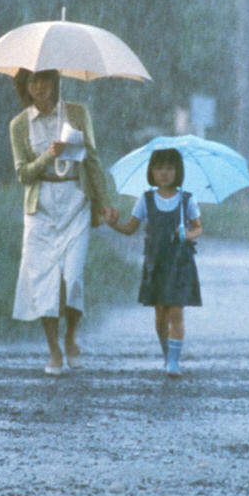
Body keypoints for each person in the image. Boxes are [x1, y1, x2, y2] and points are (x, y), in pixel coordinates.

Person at [9, 68, 114, 376]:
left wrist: (102, 203)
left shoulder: (77, 114)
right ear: (25, 87)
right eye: (33, 82)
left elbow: (91, 160)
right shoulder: (19, 125)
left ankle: (71, 335)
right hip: (40, 208)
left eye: (45, 80)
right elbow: (23, 174)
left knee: (73, 276)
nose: (40, 87)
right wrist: (47, 156)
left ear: (55, 83)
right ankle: (53, 347)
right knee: (43, 281)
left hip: (75, 201)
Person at [103, 148, 202, 378]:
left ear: (177, 171)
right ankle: (167, 352)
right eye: (159, 168)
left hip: (179, 263)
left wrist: (187, 234)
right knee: (160, 315)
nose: (164, 173)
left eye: (169, 168)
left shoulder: (187, 199)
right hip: (156, 263)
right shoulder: (146, 200)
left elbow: (198, 227)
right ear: (151, 171)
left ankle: (174, 363)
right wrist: (112, 224)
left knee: (176, 311)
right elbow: (130, 228)